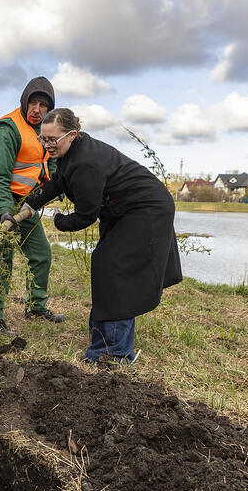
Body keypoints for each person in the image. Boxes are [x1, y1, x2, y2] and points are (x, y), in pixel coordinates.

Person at [25, 108, 182, 365]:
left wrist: (58, 221)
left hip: (147, 210)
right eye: (43, 138)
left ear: (72, 134)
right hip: (123, 210)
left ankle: (113, 353)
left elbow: (86, 215)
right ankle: (103, 336)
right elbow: (58, 183)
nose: (47, 145)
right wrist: (31, 204)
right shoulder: (71, 152)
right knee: (106, 265)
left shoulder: (86, 161)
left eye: (52, 139)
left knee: (116, 270)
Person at [0, 77, 65, 336]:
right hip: (0, 197)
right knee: (0, 257)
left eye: (43, 106)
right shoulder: (8, 129)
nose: (37, 110)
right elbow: (0, 178)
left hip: (26, 202)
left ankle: (36, 307)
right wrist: (5, 211)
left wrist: (57, 183)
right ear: (24, 102)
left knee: (41, 255)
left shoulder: (45, 129)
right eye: (33, 103)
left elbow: (49, 160)